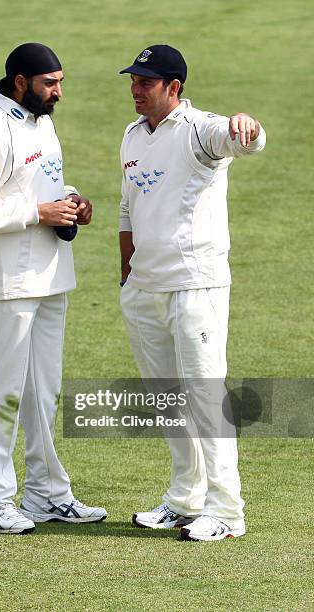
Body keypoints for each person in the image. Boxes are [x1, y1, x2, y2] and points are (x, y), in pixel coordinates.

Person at [0, 42, 107, 534]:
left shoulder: (42, 122)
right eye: (50, 83)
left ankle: (45, 493)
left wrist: (71, 202)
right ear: (20, 82)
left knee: (44, 393)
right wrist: (37, 213)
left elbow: (42, 185)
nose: (58, 91)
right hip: (7, 281)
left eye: (60, 81)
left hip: (51, 274)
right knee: (2, 393)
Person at [118, 44, 266, 541]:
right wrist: (127, 275)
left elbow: (242, 140)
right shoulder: (132, 135)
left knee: (204, 396)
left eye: (147, 83)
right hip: (144, 288)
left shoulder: (200, 131)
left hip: (195, 286)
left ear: (174, 88)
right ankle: (185, 498)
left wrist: (246, 124)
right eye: (134, 81)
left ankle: (227, 511)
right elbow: (127, 209)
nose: (136, 90)